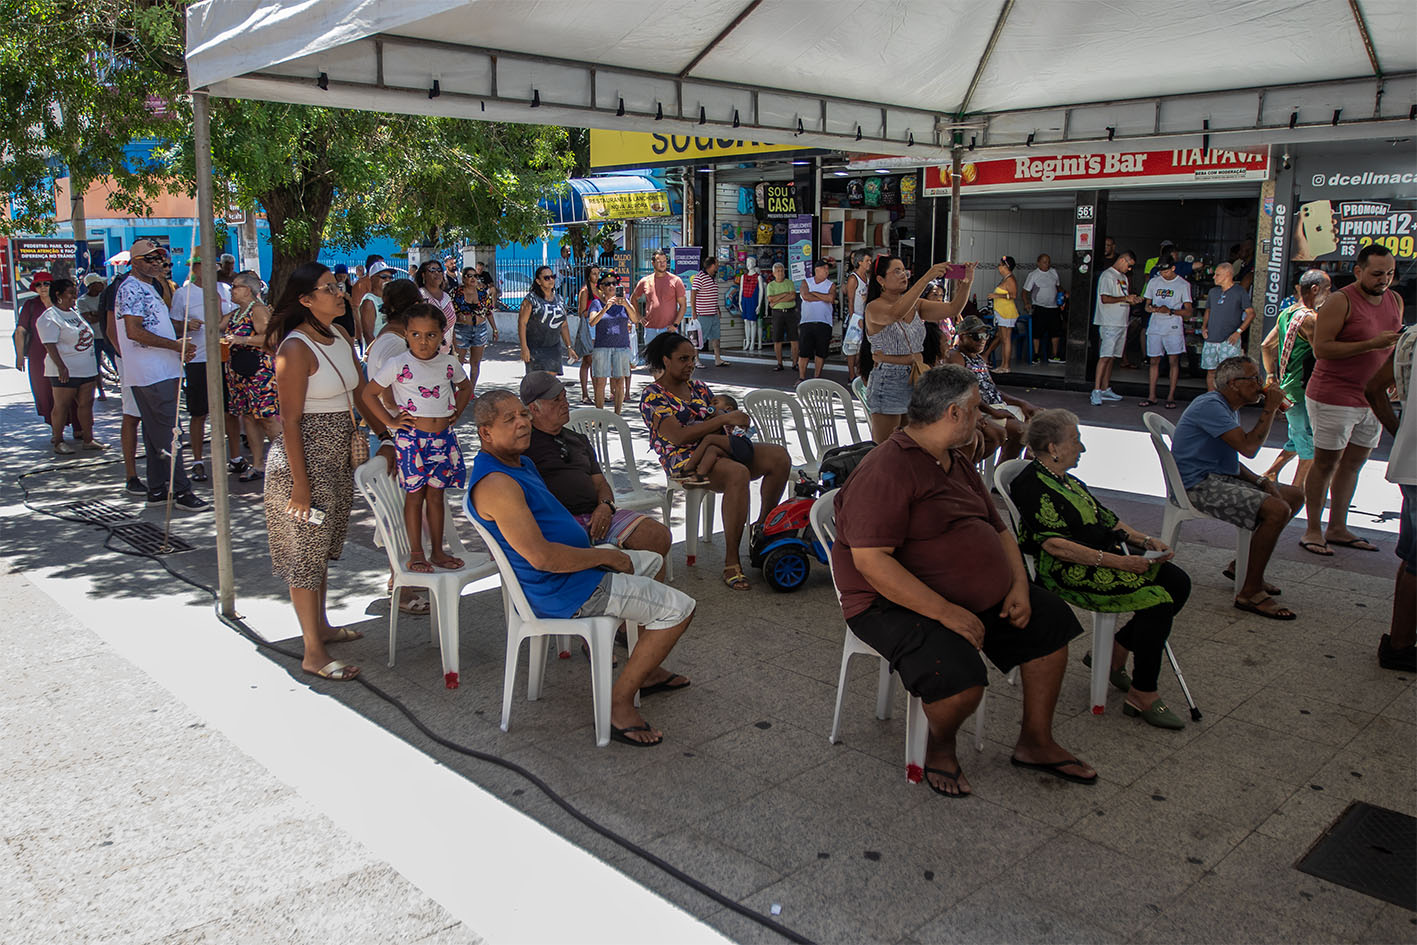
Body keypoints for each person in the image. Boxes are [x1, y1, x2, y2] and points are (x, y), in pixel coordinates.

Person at [832, 365, 1097, 795]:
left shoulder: (954, 460)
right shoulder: (887, 469)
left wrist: (1018, 586)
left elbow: (998, 530)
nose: (984, 419)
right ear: (953, 413)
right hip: (890, 603)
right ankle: (940, 748)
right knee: (959, 680)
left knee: (1049, 623)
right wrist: (948, 613)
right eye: (976, 411)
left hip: (970, 596)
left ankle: (1035, 741)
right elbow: (872, 564)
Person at [468, 388, 696, 746]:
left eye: (523, 415)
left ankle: (645, 670)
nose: (523, 423)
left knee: (650, 559)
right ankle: (617, 704)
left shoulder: (520, 464)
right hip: (563, 590)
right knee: (680, 609)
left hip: (577, 571)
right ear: (485, 432)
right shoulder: (497, 484)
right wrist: (605, 556)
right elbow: (543, 559)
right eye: (509, 419)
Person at [1009, 409, 1192, 729]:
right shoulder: (1032, 485)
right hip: (1066, 568)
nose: (1082, 448)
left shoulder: (1067, 480)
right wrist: (1122, 562)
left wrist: (1146, 540)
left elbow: (1106, 519)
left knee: (1177, 582)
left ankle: (1115, 651)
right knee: (1158, 599)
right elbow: (1055, 545)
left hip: (1101, 552)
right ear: (1053, 447)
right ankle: (1143, 692)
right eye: (1075, 440)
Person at [265, 262, 392, 681]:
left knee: (321, 550)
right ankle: (312, 652)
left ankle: (320, 625)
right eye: (328, 289)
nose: (340, 293)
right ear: (305, 300)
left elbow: (359, 391)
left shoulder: (338, 334)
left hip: (338, 457)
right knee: (304, 555)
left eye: (338, 287)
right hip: (305, 463)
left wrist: (385, 432)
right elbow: (291, 422)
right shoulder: (294, 348)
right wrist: (300, 485)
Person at [639, 331, 791, 591]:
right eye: (683, 358)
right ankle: (732, 560)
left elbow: (720, 414)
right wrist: (721, 420)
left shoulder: (698, 387)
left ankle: (762, 529)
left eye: (693, 358)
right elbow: (678, 436)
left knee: (778, 457)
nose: (690, 364)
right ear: (666, 360)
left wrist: (735, 418)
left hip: (720, 446)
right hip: (685, 460)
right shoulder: (654, 395)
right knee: (737, 474)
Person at [1170, 356, 1305, 619]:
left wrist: (1261, 481)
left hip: (1217, 476)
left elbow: (1230, 460)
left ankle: (1241, 567)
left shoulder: (1228, 406)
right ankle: (1250, 592)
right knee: (1277, 510)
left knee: (1295, 496)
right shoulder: (1212, 406)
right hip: (1198, 485)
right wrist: (1269, 409)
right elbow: (1249, 448)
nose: (1260, 384)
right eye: (1254, 378)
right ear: (1233, 384)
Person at [1299, 245, 1404, 557]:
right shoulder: (1340, 301)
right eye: (1377, 274)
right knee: (1326, 462)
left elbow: (1393, 347)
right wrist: (1370, 343)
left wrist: (1394, 377)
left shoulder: (1394, 300)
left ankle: (1338, 526)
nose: (1384, 279)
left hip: (1373, 398)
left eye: (1389, 273)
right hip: (1334, 396)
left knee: (1354, 464)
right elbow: (1322, 349)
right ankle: (1313, 529)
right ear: (1359, 271)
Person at [520, 371, 674, 579]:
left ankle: (647, 603)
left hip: (597, 514)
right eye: (556, 400)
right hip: (560, 523)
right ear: (533, 409)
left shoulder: (578, 439)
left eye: (565, 397)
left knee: (658, 536)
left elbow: (600, 483)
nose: (565, 404)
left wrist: (605, 506)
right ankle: (618, 596)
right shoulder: (524, 445)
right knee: (605, 562)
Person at [361, 303, 473, 574]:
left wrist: (457, 410)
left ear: (442, 335)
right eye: (415, 335)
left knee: (436, 497)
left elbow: (465, 385)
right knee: (414, 496)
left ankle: (437, 551)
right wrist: (391, 422)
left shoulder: (448, 363)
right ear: (407, 334)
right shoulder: (398, 363)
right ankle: (416, 553)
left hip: (442, 440)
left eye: (431, 335)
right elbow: (368, 394)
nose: (423, 341)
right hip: (411, 441)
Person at [113, 239, 206, 511]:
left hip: (162, 370)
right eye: (151, 259)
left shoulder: (150, 288)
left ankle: (156, 488)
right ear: (136, 262)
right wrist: (174, 345)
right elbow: (134, 331)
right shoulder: (130, 289)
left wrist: (180, 328)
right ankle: (181, 490)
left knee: (156, 433)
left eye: (161, 258)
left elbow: (155, 325)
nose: (158, 264)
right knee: (169, 433)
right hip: (151, 373)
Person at [862, 255, 974, 444]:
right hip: (888, 380)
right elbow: (895, 313)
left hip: (915, 377)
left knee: (911, 442)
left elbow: (953, 309)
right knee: (887, 446)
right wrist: (926, 278)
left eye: (904, 270)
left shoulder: (916, 305)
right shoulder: (874, 307)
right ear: (880, 280)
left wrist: (966, 282)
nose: (903, 275)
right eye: (896, 271)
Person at [1363, 327, 1416, 672]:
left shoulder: (1411, 337)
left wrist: (1401, 434)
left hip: (1410, 463)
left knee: (1411, 557)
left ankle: (1399, 639)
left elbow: (1373, 388)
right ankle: (1399, 645)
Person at [170, 254, 239, 483]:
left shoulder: (226, 290)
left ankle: (236, 456)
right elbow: (174, 325)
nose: (210, 270)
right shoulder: (183, 293)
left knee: (230, 410)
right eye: (204, 266)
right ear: (195, 268)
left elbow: (236, 317)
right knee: (199, 412)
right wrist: (186, 326)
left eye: (214, 266)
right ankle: (198, 460)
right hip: (198, 358)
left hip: (225, 357)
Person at [1261, 269, 1331, 490]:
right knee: (1308, 442)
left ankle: (1270, 474)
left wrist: (1271, 375)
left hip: (1286, 388)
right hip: (1303, 390)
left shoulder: (1287, 313)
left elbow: (1265, 345)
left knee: (1298, 437)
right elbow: (1323, 354)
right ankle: (1297, 489)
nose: (1330, 294)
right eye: (1328, 289)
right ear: (1315, 289)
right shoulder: (1311, 319)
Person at [943, 314, 1036, 462]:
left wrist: (1021, 402)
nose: (982, 340)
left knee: (1039, 418)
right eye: (976, 335)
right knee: (1021, 431)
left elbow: (992, 389)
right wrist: (993, 411)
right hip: (979, 409)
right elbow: (962, 393)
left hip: (995, 405)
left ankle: (1009, 469)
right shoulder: (956, 356)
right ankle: (1003, 472)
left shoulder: (978, 358)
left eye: (985, 335)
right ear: (962, 337)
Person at [36, 278, 105, 454]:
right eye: (70, 293)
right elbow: (49, 344)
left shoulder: (74, 313)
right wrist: (61, 367)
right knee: (62, 405)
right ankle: (58, 440)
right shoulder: (50, 317)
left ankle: (89, 439)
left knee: (86, 404)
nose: (74, 296)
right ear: (58, 294)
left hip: (86, 368)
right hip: (66, 369)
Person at [225, 272, 281, 482]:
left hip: (259, 372)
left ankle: (287, 462)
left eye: (235, 286)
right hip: (240, 373)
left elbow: (270, 338)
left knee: (267, 417)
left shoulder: (258, 310)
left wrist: (242, 339)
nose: (232, 290)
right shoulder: (237, 312)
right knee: (248, 417)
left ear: (247, 290)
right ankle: (258, 464)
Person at [13, 272, 78, 440]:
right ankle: (56, 432)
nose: (42, 288)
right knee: (45, 392)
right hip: (39, 355)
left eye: (46, 284)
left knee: (71, 390)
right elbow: (21, 330)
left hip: (64, 353)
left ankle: (79, 428)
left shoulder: (62, 303)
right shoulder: (30, 305)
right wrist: (19, 356)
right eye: (38, 285)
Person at [1139, 256, 1193, 408]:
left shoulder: (1183, 284)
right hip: (1155, 325)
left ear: (1173, 268)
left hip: (1173, 326)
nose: (1163, 274)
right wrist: (1151, 308)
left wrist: (1171, 311)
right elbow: (1146, 305)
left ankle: (1170, 396)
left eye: (1166, 271)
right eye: (1161, 271)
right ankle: (1152, 395)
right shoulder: (1154, 282)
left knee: (1173, 361)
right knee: (1154, 361)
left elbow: (1189, 311)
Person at [1091, 251, 1139, 406]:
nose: (1130, 269)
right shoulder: (1107, 276)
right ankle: (1096, 389)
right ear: (1123, 260)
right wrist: (1125, 298)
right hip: (1109, 322)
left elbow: (1121, 297)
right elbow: (1105, 298)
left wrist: (1131, 299)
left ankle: (1105, 388)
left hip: (1121, 321)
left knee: (1112, 357)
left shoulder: (1123, 277)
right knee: (1104, 356)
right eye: (1129, 265)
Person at [1199, 262, 1254, 391]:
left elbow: (1251, 313)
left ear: (1228, 274)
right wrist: (1204, 327)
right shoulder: (1213, 292)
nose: (1214, 277)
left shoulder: (1239, 291)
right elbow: (1208, 310)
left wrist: (1238, 332)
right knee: (1211, 371)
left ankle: (1228, 402)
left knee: (1229, 374)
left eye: (1217, 275)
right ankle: (1212, 400)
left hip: (1229, 339)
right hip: (1211, 338)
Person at [587, 272, 636, 412]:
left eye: (614, 283)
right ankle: (600, 414)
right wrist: (605, 308)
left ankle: (617, 414)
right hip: (602, 346)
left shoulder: (623, 303)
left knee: (620, 381)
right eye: (607, 284)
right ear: (601, 287)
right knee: (600, 381)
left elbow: (635, 318)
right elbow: (592, 322)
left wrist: (626, 303)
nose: (611, 286)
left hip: (621, 346)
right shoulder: (597, 303)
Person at [519, 264, 578, 375]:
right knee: (537, 382)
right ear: (538, 281)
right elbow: (522, 323)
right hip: (535, 348)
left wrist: (569, 347)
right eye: (546, 278)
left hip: (553, 347)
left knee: (550, 383)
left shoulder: (559, 299)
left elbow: (564, 325)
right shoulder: (531, 299)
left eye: (552, 276)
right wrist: (524, 347)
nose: (551, 280)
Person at [630, 250, 686, 356]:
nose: (662, 264)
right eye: (659, 261)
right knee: (653, 361)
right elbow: (633, 298)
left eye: (664, 261)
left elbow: (683, 305)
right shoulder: (645, 281)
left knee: (670, 361)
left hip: (669, 329)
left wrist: (675, 325)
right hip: (650, 329)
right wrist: (638, 317)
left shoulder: (676, 280)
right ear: (653, 263)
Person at [451, 266, 497, 394]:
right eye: (469, 276)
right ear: (464, 278)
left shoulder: (482, 293)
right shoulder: (456, 293)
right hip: (462, 329)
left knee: (475, 363)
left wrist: (494, 329)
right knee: (458, 362)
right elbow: (449, 311)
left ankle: (471, 390)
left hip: (479, 329)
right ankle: (456, 390)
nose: (473, 279)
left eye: (475, 276)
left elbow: (489, 312)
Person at [797, 259, 836, 381]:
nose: (826, 270)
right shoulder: (806, 282)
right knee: (804, 352)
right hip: (807, 322)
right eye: (824, 268)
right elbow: (805, 296)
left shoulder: (831, 285)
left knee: (821, 352)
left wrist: (814, 293)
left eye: (827, 268)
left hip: (824, 322)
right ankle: (802, 377)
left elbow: (830, 298)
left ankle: (817, 377)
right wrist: (822, 296)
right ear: (817, 270)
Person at [981, 256, 1021, 374]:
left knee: (1006, 339)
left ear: (1005, 266)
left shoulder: (1010, 280)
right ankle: (1002, 364)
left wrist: (996, 296)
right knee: (1002, 338)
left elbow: (1013, 295)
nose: (998, 267)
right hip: (1001, 312)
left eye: (1000, 265)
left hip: (1007, 313)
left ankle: (1006, 366)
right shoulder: (1005, 279)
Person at [1022, 253, 1064, 363]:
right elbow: (1025, 292)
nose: (1047, 264)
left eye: (1048, 262)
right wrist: (1027, 303)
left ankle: (1054, 355)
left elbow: (1058, 287)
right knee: (1037, 332)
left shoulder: (1053, 273)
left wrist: (1063, 295)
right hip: (1039, 307)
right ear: (1038, 263)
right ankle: (1036, 354)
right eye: (1044, 262)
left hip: (1053, 307)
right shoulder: (1033, 275)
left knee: (1056, 332)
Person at [690, 256, 730, 368]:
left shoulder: (713, 278)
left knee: (716, 337)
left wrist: (717, 308)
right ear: (712, 265)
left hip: (713, 313)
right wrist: (694, 312)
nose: (718, 266)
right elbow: (693, 294)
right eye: (716, 264)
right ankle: (696, 360)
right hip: (703, 314)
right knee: (698, 338)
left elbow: (713, 295)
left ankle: (718, 359)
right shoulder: (700, 277)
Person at [78, 273, 113, 397]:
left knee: (117, 361)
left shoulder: (105, 297)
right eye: (99, 283)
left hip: (107, 336)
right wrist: (102, 314)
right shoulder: (82, 301)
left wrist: (96, 313)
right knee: (95, 366)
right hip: (94, 338)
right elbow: (90, 319)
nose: (103, 285)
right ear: (92, 285)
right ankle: (100, 390)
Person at [842, 249, 873, 380]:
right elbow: (850, 300)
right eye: (867, 261)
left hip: (866, 316)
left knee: (862, 348)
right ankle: (851, 374)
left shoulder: (867, 277)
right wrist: (854, 319)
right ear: (859, 262)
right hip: (856, 316)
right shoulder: (853, 278)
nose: (869, 263)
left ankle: (860, 373)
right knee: (852, 347)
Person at [573, 265, 603, 401]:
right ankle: (585, 393)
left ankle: (598, 392)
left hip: (599, 326)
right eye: (593, 274)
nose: (596, 276)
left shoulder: (600, 289)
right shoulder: (585, 291)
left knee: (597, 360)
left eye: (598, 273)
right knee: (588, 360)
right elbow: (581, 312)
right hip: (589, 326)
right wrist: (594, 312)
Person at [415, 259, 457, 355]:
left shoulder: (446, 297)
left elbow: (452, 326)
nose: (437, 273)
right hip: (426, 353)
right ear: (423, 275)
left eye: (439, 270)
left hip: (447, 351)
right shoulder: (419, 296)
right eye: (432, 270)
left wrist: (454, 348)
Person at [765, 262, 798, 371]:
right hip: (778, 313)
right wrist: (784, 294)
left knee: (794, 338)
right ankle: (779, 363)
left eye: (782, 271)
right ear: (774, 273)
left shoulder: (789, 283)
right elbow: (770, 299)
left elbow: (792, 296)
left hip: (790, 312)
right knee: (777, 339)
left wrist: (777, 299)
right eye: (778, 271)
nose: (780, 273)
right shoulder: (771, 285)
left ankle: (795, 363)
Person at [358, 260, 397, 344]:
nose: (388, 280)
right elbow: (368, 334)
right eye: (383, 277)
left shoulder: (389, 298)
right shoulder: (369, 301)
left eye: (390, 277)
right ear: (372, 278)